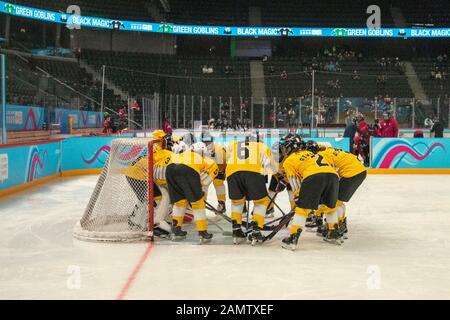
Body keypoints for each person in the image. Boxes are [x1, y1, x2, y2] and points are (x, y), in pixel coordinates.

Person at [282, 136, 339, 250]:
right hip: (332, 176)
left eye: (286, 148)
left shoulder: (289, 160)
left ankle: (293, 238)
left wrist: (298, 196)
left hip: (314, 177)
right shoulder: (311, 154)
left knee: (302, 209)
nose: (285, 150)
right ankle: (333, 233)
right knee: (329, 207)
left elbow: (294, 180)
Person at [306, 141, 367, 239]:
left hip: (351, 173)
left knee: (336, 202)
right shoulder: (328, 150)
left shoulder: (321, 155)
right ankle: (341, 226)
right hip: (358, 171)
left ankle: (337, 227)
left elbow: (330, 174)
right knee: (338, 200)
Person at [226, 134, 275, 245]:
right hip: (253, 172)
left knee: (237, 202)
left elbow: (228, 159)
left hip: (232, 173)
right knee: (261, 202)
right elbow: (268, 166)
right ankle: (256, 231)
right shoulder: (262, 146)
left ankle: (236, 231)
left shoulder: (234, 145)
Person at [166, 142, 218, 243]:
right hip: (187, 170)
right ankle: (203, 232)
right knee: (198, 204)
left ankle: (176, 229)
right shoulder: (209, 161)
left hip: (170, 169)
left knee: (179, 202)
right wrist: (199, 192)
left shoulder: (183, 154)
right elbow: (205, 182)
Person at [201, 132, 227, 214]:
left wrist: (222, 171)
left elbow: (223, 162)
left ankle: (221, 203)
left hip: (218, 168)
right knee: (203, 185)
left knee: (218, 183)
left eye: (208, 141)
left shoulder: (218, 148)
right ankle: (202, 202)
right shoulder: (200, 148)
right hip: (206, 170)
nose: (206, 143)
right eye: (205, 141)